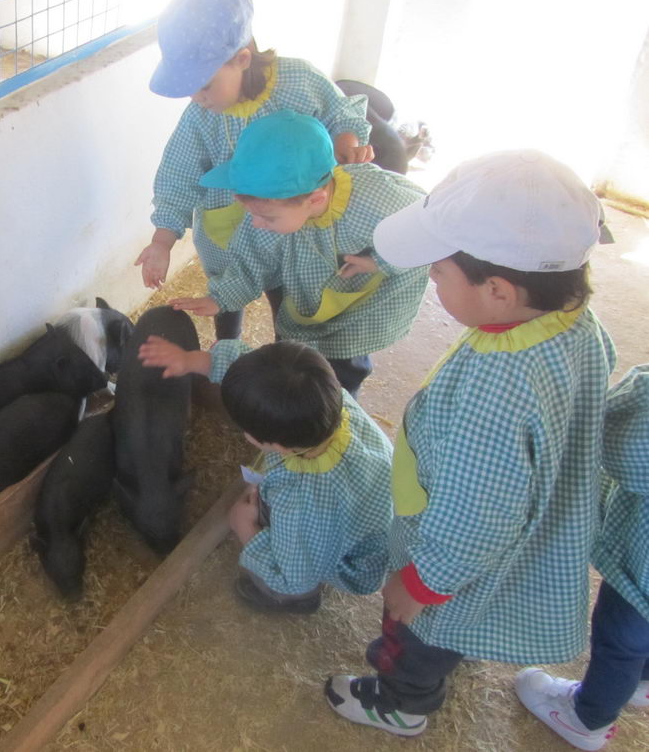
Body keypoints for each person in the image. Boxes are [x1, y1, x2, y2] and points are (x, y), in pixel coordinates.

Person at [323, 149, 616, 737]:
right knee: (466, 611)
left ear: (500, 291)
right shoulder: (573, 320)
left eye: (438, 273)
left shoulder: (496, 392)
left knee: (418, 633)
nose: (431, 281)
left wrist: (421, 581)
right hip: (520, 542)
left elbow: (480, 513)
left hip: (451, 553)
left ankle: (402, 702)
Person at [134, 0, 374, 341]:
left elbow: (339, 113)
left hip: (295, 231)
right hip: (226, 237)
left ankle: (286, 352)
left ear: (242, 59)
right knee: (227, 298)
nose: (197, 97)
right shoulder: (202, 116)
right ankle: (227, 349)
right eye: (190, 89)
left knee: (288, 300)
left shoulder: (299, 81)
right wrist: (162, 240)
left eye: (204, 84)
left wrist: (346, 139)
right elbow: (178, 176)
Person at [171, 110, 428, 395]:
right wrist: (219, 298)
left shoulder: (381, 201)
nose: (257, 224)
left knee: (340, 377)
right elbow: (251, 262)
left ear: (316, 198)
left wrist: (381, 259)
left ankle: (338, 418)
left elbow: (432, 227)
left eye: (267, 218)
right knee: (291, 365)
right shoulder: (272, 207)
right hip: (306, 306)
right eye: (251, 214)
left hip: (358, 317)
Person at [138, 336, 393, 613]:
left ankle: (294, 602)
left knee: (288, 577)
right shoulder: (328, 400)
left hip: (352, 561)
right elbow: (254, 370)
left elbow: (293, 575)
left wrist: (244, 526)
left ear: (278, 446)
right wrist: (189, 360)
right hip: (367, 514)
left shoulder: (301, 501)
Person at [515, 363, 649, 751]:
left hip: (642, 572)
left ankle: (587, 718)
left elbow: (623, 449)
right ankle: (642, 682)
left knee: (622, 640)